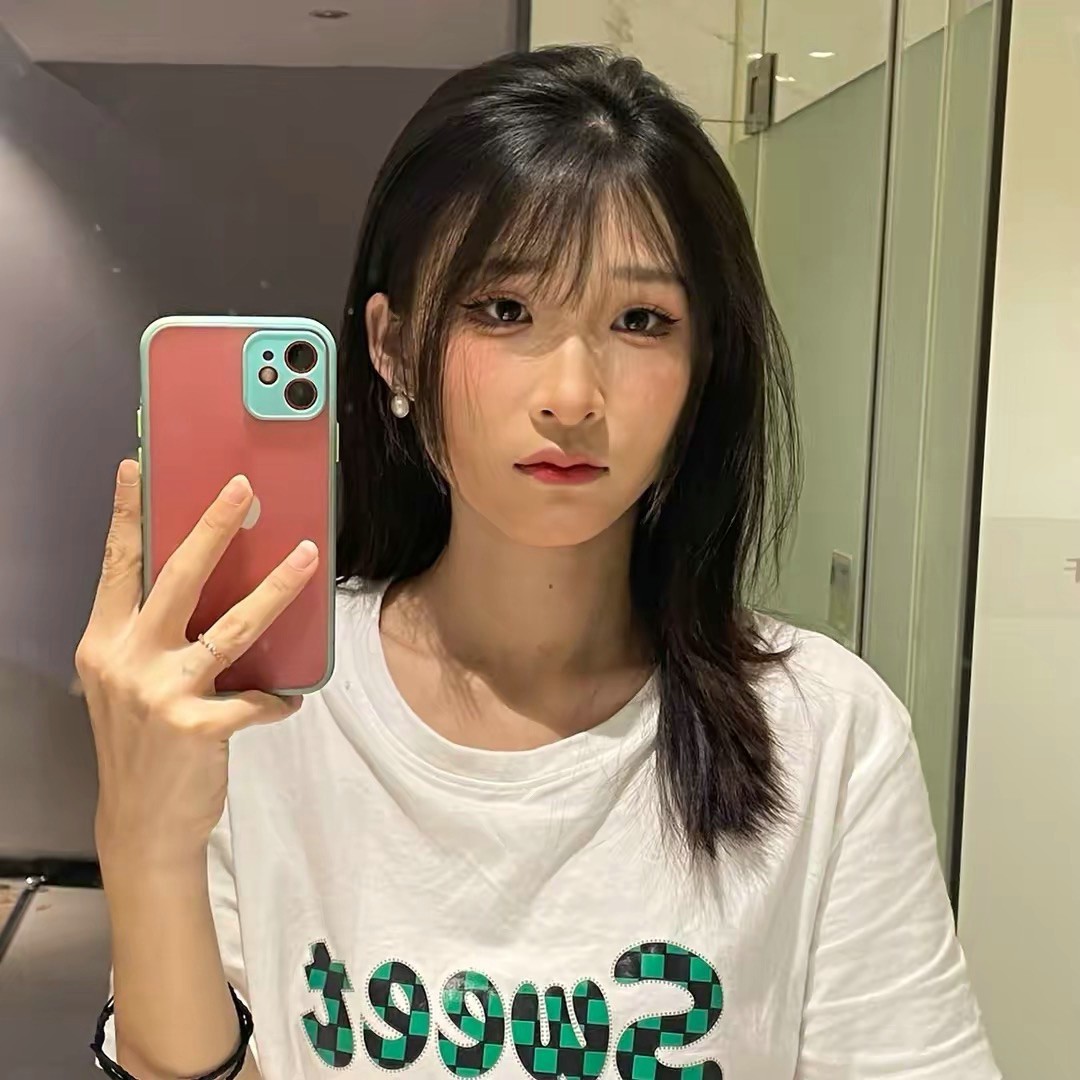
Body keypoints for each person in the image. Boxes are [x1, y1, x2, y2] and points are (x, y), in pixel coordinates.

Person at [78, 46, 1000, 1080]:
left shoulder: (827, 733)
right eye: (504, 309)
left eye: (641, 321)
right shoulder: (265, 705)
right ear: (392, 347)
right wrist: (142, 843)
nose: (571, 395)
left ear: (702, 366)